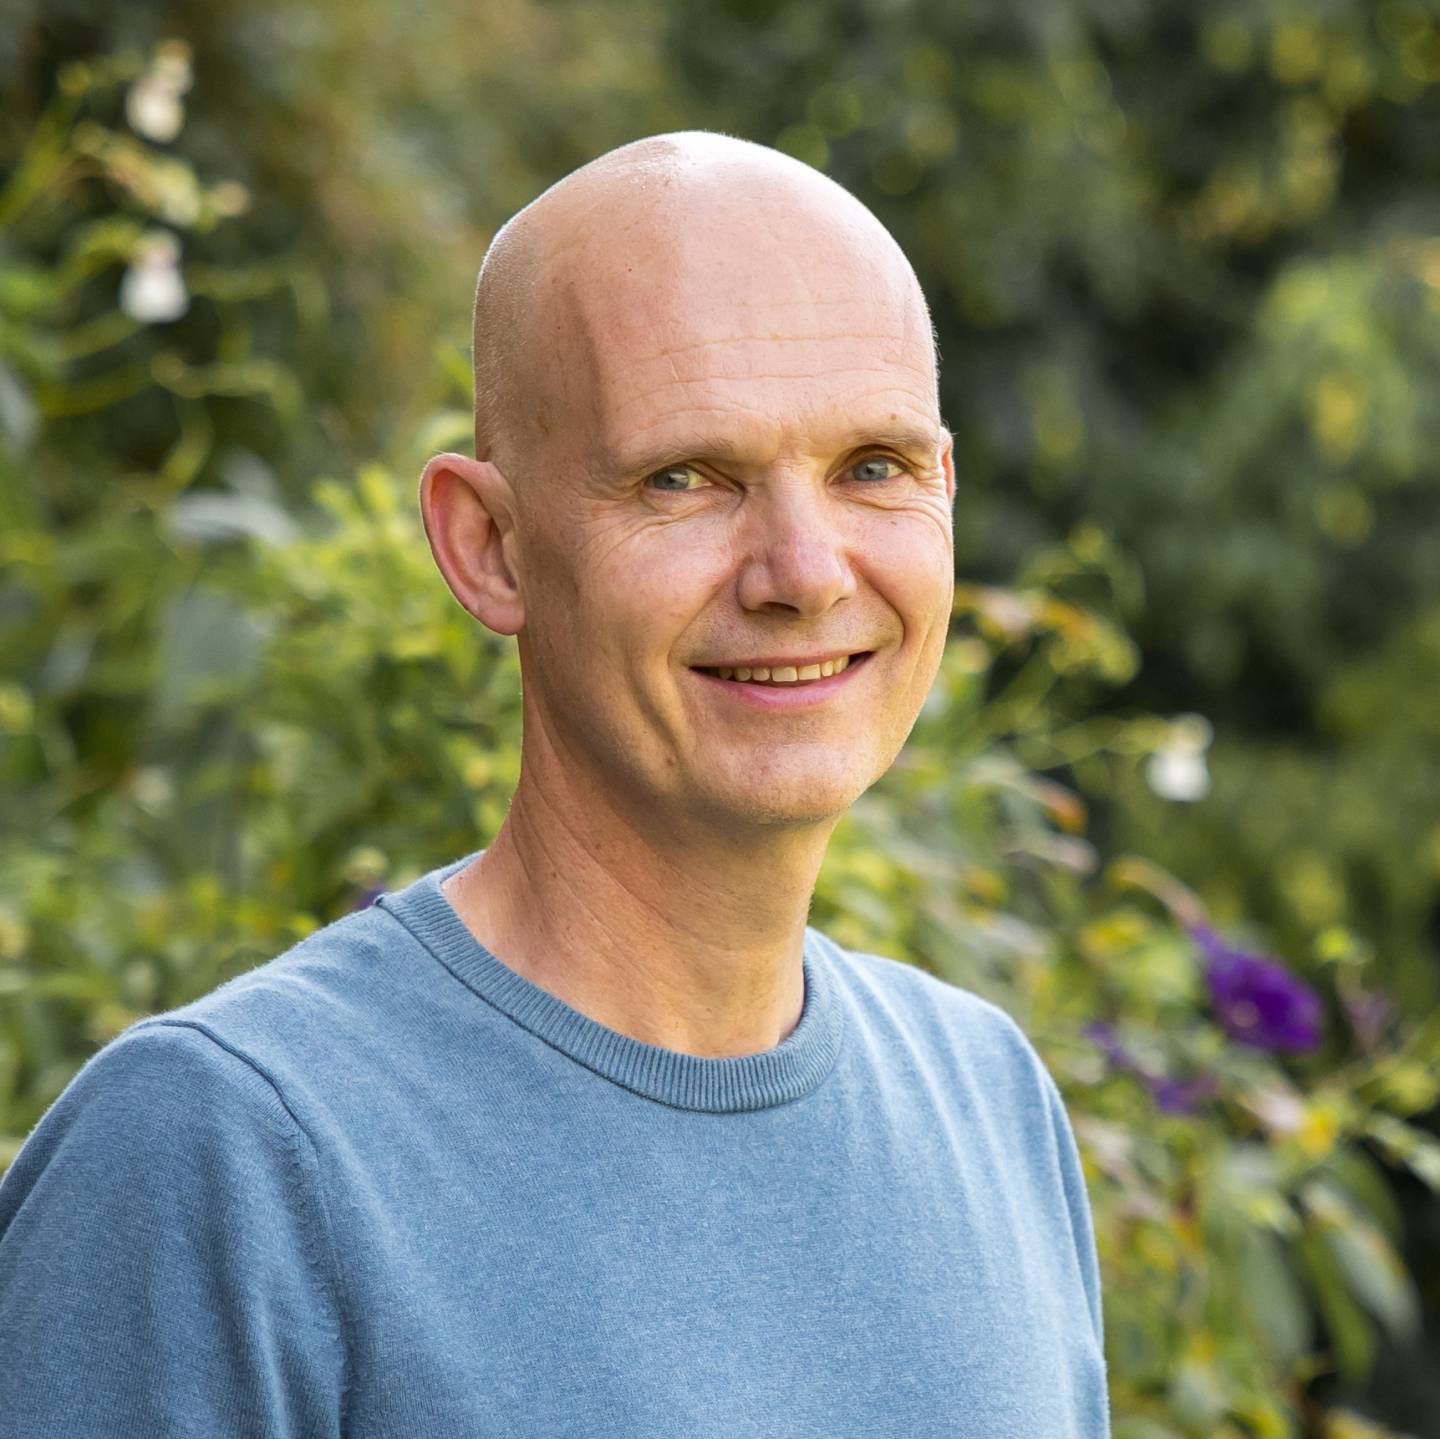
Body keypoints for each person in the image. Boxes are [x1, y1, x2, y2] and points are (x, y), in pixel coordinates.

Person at [0, 131, 1110, 1437]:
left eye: (874, 467)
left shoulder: (987, 1101)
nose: (805, 572)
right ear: (490, 547)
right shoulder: (228, 1154)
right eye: (684, 479)